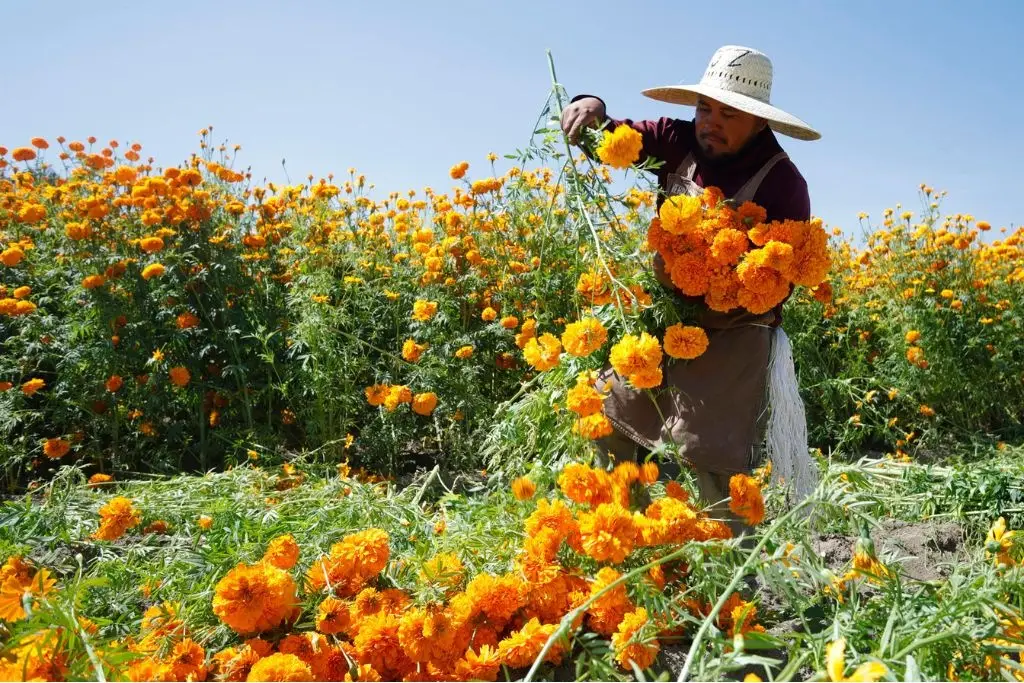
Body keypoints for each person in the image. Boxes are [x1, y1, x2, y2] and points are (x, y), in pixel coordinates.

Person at [560, 45, 821, 533]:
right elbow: (612, 136)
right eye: (705, 107)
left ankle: (728, 581)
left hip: (739, 331)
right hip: (668, 314)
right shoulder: (675, 140)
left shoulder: (783, 183)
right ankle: (624, 536)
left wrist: (732, 278)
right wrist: (591, 103)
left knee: (712, 458)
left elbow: (786, 279)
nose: (711, 122)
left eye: (729, 113)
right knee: (612, 416)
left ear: (759, 122)